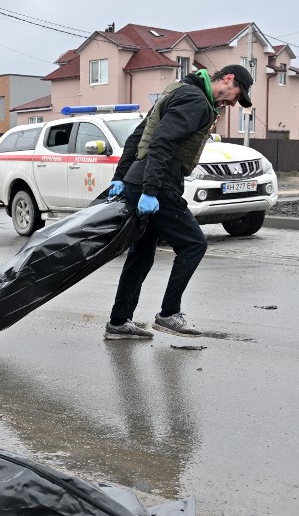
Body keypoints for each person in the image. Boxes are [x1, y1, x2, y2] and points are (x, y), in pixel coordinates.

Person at [103, 64, 253, 339]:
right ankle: (169, 314)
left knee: (141, 254)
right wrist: (149, 190)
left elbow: (138, 136)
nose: (233, 102)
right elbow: (160, 143)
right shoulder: (195, 100)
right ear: (228, 79)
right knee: (194, 244)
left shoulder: (178, 90)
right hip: (157, 183)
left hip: (143, 180)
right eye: (236, 94)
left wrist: (123, 177)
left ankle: (119, 321)